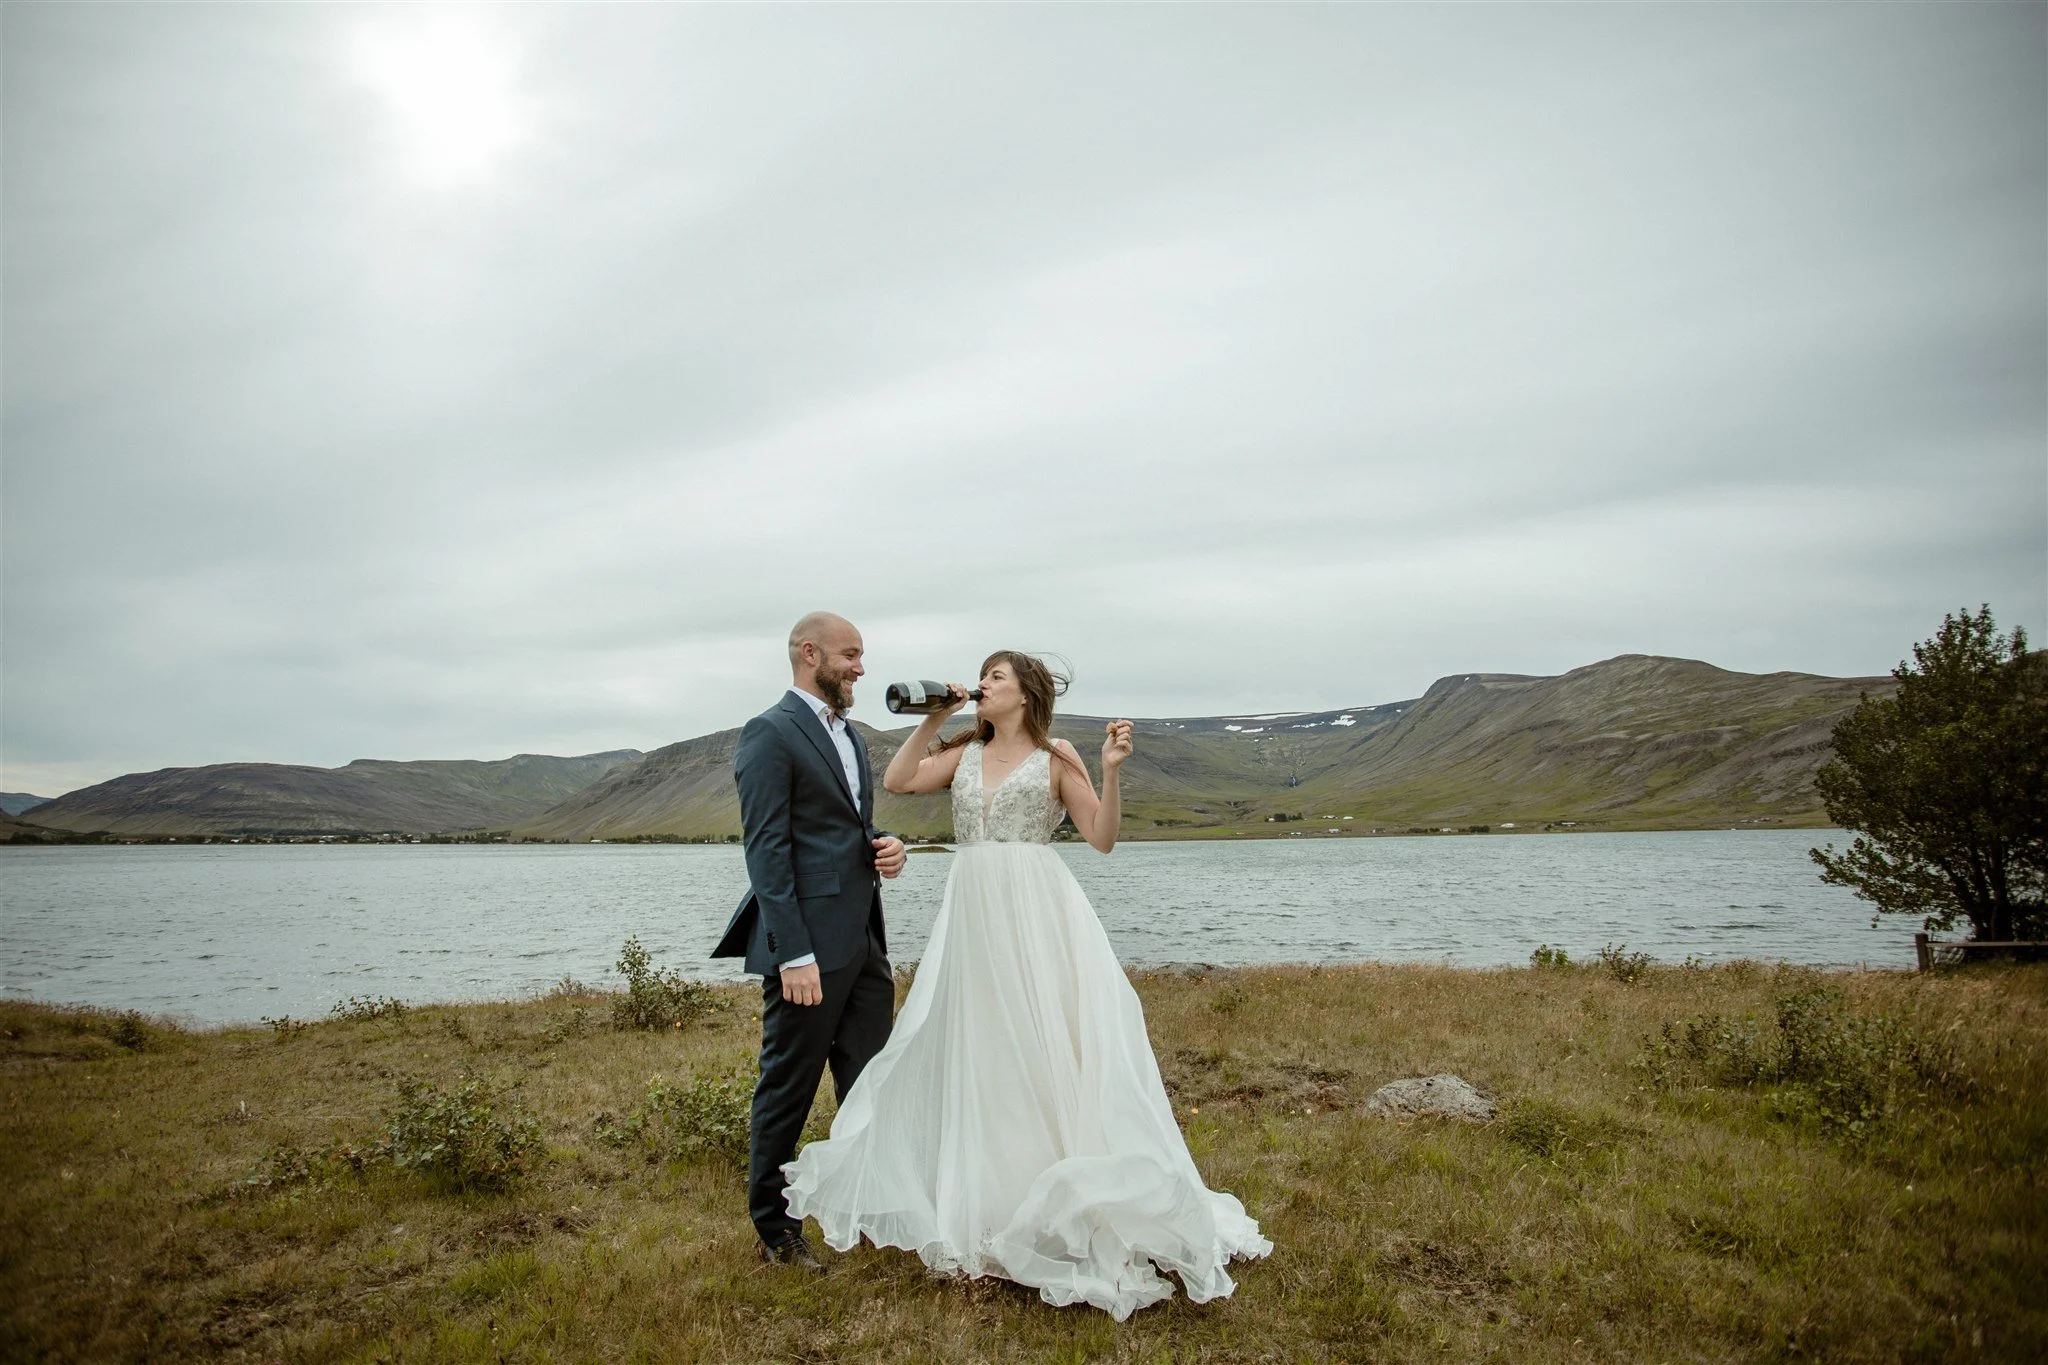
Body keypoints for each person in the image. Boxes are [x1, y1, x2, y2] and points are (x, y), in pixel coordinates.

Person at [780, 650, 1272, 1319]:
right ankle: (991, 1198)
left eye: (997, 676)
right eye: (983, 675)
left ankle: (1066, 1200)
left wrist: (1109, 772)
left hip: (1038, 911)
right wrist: (935, 717)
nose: (983, 683)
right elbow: (898, 778)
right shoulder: (964, 749)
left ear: (1026, 692)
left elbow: (1100, 837)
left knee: (1046, 1047)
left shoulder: (1056, 754)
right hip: (975, 912)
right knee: (983, 1050)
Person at [711, 611, 907, 1271]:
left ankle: (866, 1209)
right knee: (787, 1088)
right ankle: (776, 1232)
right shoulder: (769, 732)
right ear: (809, 653)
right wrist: (792, 952)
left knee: (870, 1083)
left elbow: (842, 828)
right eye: (851, 654)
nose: (860, 667)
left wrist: (883, 847)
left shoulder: (849, 734)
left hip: (864, 940)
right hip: (806, 952)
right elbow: (766, 848)